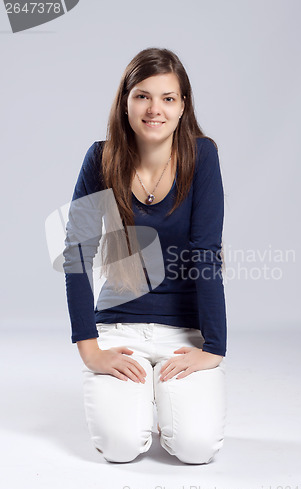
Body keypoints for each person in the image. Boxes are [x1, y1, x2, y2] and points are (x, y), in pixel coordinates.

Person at [63, 47, 228, 465]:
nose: (155, 109)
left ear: (182, 106)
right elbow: (77, 253)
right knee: (119, 449)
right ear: (125, 101)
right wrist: (90, 348)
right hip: (119, 328)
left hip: (185, 332)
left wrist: (215, 346)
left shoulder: (202, 156)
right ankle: (141, 394)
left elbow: (206, 253)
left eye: (168, 98)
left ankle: (163, 393)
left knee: (196, 449)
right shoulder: (100, 159)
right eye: (143, 96)